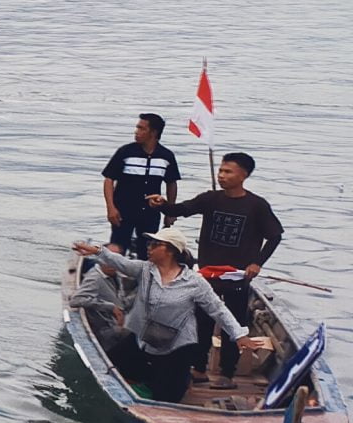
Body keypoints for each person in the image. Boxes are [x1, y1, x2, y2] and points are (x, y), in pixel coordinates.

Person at [72, 226, 264, 402]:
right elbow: (120, 262)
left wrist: (239, 334)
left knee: (166, 396)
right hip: (145, 337)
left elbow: (217, 309)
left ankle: (178, 381)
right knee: (114, 362)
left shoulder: (194, 282)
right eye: (150, 243)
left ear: (171, 250)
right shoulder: (145, 270)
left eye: (156, 244)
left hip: (177, 346)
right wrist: (98, 251)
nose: (149, 247)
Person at [152, 151, 286, 384]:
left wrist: (257, 263)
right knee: (201, 321)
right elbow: (181, 209)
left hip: (236, 277)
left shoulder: (256, 205)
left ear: (243, 175)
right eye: (221, 171)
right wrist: (163, 205)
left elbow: (275, 236)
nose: (221, 175)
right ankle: (199, 369)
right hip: (207, 275)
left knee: (232, 323)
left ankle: (227, 373)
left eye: (228, 171)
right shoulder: (211, 199)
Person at [99, 113, 180, 254]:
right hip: (123, 210)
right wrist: (110, 208)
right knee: (118, 247)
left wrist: (170, 211)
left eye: (141, 128)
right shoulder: (126, 152)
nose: (136, 132)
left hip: (150, 212)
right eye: (137, 127)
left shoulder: (166, 156)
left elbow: (171, 183)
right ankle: (115, 274)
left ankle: (144, 274)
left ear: (153, 132)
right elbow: (109, 179)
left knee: (147, 249)